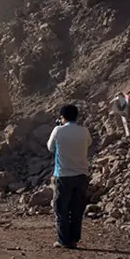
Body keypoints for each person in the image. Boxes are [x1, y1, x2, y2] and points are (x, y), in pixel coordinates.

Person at [47, 104, 93, 249]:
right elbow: (89, 144)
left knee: (61, 210)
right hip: (82, 175)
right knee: (77, 209)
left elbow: (50, 147)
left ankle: (63, 240)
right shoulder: (84, 131)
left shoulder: (58, 130)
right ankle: (74, 238)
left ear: (63, 117)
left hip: (63, 174)